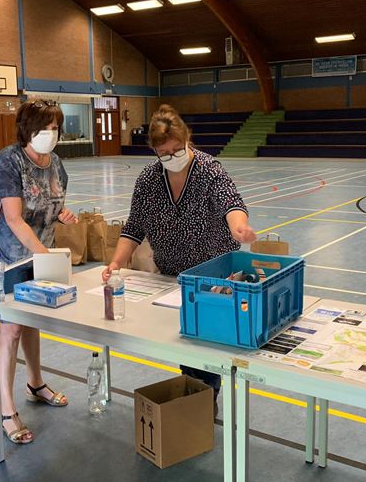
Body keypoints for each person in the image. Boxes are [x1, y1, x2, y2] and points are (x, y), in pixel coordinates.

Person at [103, 104, 256, 410]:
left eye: (178, 149)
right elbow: (134, 227)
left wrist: (239, 228)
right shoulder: (148, 180)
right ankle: (195, 395)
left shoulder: (210, 170)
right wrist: (117, 262)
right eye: (165, 153)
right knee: (183, 341)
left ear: (188, 140)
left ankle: (203, 399)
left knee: (205, 344)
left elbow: (231, 203)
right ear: (154, 151)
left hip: (211, 276)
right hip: (170, 276)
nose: (173, 158)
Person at [0, 99, 77, 444]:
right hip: (11, 258)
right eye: (44, 128)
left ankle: (35, 383)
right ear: (27, 131)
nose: (50, 135)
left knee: (33, 321)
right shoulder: (9, 161)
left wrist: (63, 215)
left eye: (55, 128)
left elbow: (52, 206)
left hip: (43, 254)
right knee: (10, 329)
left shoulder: (56, 164)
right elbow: (12, 217)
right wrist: (43, 256)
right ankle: (7, 409)